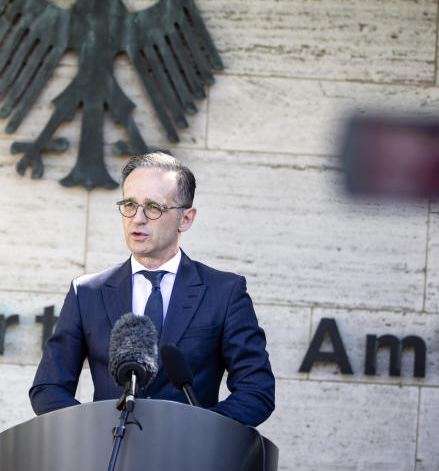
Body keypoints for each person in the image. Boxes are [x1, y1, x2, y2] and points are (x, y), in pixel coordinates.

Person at [29, 152, 275, 426]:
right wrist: (94, 431)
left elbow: (256, 391)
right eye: (130, 204)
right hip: (107, 459)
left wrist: (202, 431)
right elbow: (48, 388)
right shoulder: (87, 292)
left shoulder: (225, 292)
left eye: (153, 207)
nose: (138, 218)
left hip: (189, 461)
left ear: (186, 218)